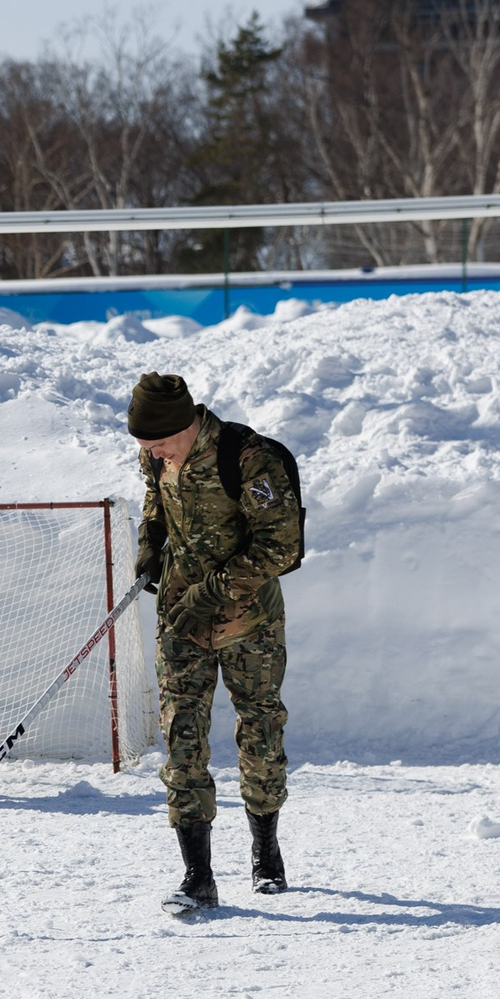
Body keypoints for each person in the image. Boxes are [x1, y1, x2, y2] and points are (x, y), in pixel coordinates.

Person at [127, 372, 304, 911]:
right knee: (181, 740)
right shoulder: (157, 456)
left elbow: (282, 547)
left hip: (249, 621)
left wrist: (214, 591)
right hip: (181, 620)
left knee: (260, 734)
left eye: (158, 442)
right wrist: (150, 544)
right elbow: (156, 502)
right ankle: (197, 875)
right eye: (143, 446)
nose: (151, 453)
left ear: (189, 424)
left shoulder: (249, 461)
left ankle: (265, 849)